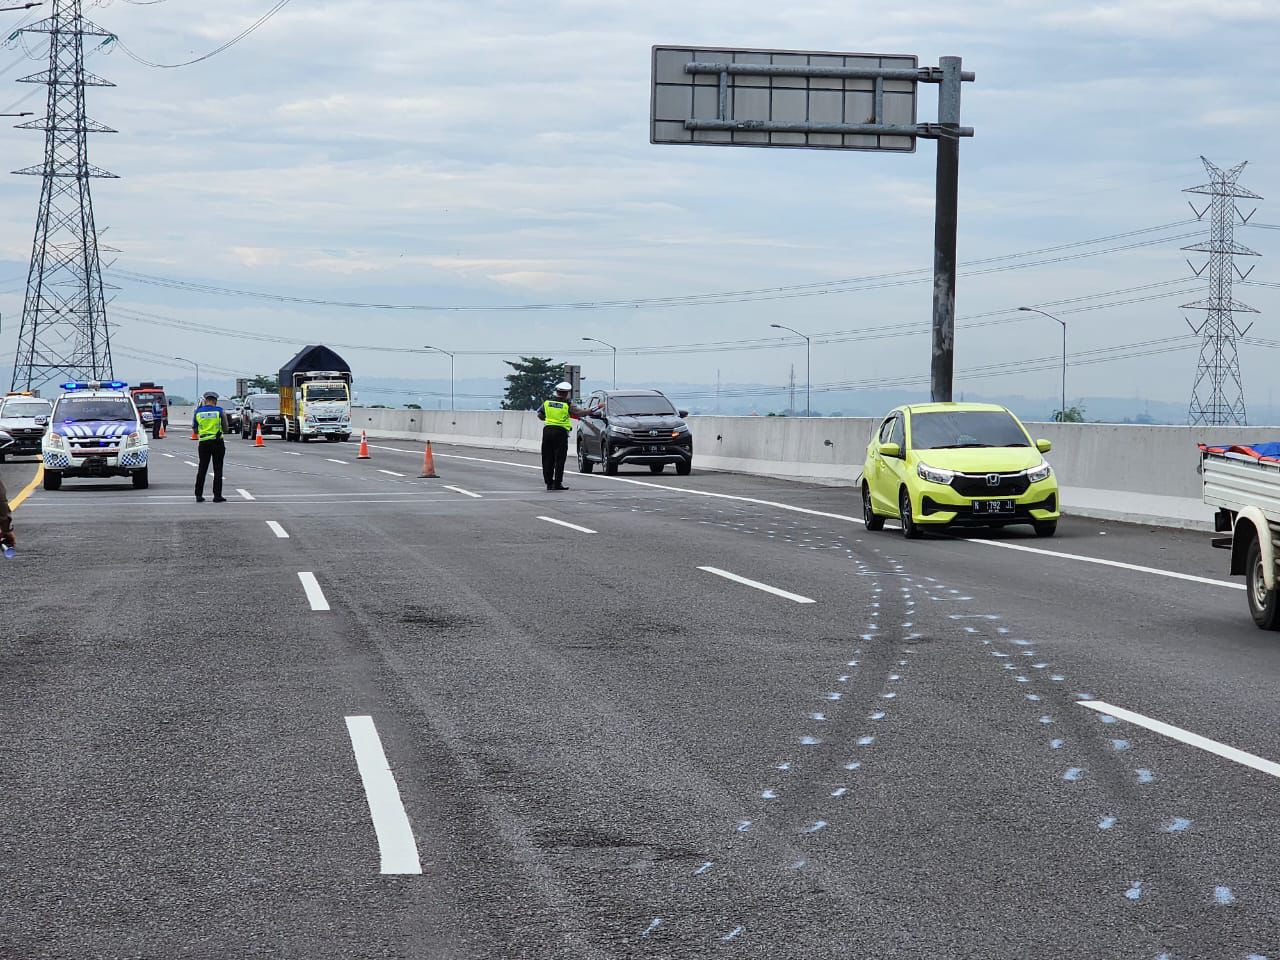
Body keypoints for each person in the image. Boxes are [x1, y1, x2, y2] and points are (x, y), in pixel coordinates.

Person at [536, 381, 591, 491]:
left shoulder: (547, 402)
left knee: (547, 458)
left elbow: (540, 414)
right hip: (560, 432)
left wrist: (549, 419)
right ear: (566, 393)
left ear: (557, 392)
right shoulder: (567, 404)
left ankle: (548, 483)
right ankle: (557, 483)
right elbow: (581, 413)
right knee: (559, 459)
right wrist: (595, 408)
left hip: (547, 431)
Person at [192, 390, 229, 503]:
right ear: (215, 401)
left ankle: (198, 495)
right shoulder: (219, 411)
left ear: (205, 400)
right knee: (218, 469)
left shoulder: (198, 412)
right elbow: (226, 428)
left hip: (203, 443)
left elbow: (195, 428)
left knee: (202, 469)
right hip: (217, 442)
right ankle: (217, 496)